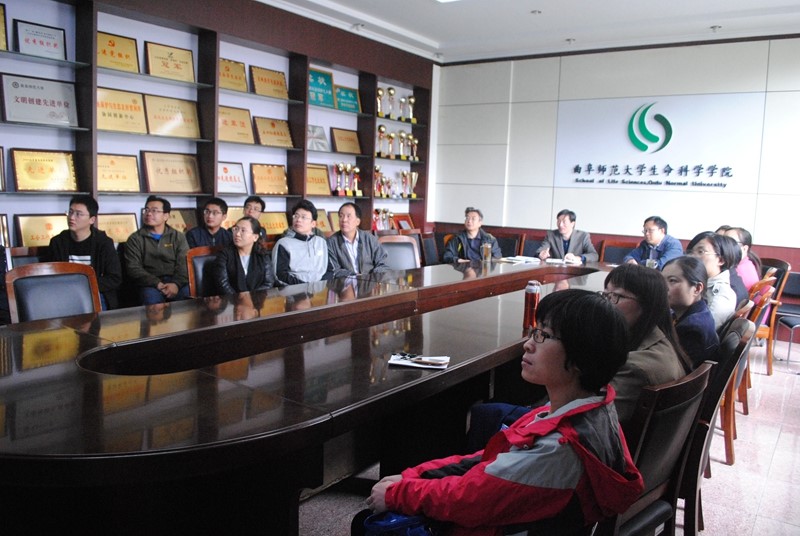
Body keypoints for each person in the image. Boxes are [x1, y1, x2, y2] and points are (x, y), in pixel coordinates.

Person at [357, 290, 643, 536]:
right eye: (534, 332)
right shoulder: (592, 405)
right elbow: (488, 461)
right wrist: (412, 477)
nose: (528, 343)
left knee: (370, 523)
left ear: (581, 358)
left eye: (543, 335)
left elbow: (470, 499)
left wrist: (399, 493)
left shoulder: (560, 448)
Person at [603, 264, 691, 421]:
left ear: (647, 305)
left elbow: (594, 421)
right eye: (606, 295)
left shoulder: (635, 369)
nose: (606, 303)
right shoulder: (658, 336)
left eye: (617, 296)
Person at [46, 195, 122, 310]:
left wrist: (83, 286)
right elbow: (50, 275)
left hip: (94, 292)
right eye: (70, 212)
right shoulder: (58, 242)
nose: (72, 217)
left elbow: (114, 278)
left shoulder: (104, 243)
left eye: (78, 214)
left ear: (92, 220)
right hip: (64, 293)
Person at [125, 195, 191, 305]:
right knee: (151, 300)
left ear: (166, 216)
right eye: (147, 210)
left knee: (190, 297)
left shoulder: (178, 237)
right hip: (150, 284)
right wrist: (157, 284)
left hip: (176, 282)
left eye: (154, 211)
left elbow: (184, 264)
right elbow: (133, 268)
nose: (149, 214)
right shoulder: (135, 239)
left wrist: (176, 284)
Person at [662, 256, 720, 368]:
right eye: (662, 280)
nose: (663, 287)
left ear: (697, 289)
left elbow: (673, 368)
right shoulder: (698, 312)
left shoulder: (692, 328)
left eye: (672, 281)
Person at [686, 232, 738, 329]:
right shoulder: (699, 283)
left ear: (720, 260)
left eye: (700, 252)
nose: (692, 257)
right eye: (690, 252)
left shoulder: (719, 298)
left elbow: (698, 332)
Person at [213, 216, 275, 295]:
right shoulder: (224, 255)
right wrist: (238, 298)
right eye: (236, 229)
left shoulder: (262, 255)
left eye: (243, 230)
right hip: (231, 300)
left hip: (257, 299)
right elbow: (222, 284)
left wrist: (252, 298)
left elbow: (268, 283)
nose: (237, 234)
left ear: (255, 237)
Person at [272, 199, 328, 285]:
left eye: (303, 217)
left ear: (313, 223)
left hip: (319, 288)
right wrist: (304, 287)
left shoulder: (321, 242)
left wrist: (321, 286)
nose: (298, 220)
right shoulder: (283, 244)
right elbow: (280, 275)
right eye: (296, 216)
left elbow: (328, 269)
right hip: (294, 290)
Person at [327, 202, 388, 278]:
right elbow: (334, 270)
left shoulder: (369, 239)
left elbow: (383, 263)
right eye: (341, 216)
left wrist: (371, 278)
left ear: (357, 222)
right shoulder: (331, 242)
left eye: (348, 216)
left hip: (370, 282)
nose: (344, 220)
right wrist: (355, 276)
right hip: (345, 283)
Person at [719, 226, 761, 292]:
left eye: (730, 242)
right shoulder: (746, 263)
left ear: (744, 249)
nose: (723, 246)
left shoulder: (737, 272)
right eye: (723, 241)